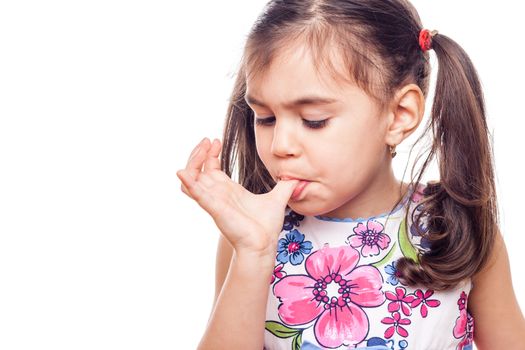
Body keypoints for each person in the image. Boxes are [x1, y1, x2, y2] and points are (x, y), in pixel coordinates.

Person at [176, 0, 525, 349]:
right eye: (265, 118)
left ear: (400, 114)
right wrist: (253, 253)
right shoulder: (253, 238)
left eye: (314, 120)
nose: (280, 145)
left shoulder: (456, 230)